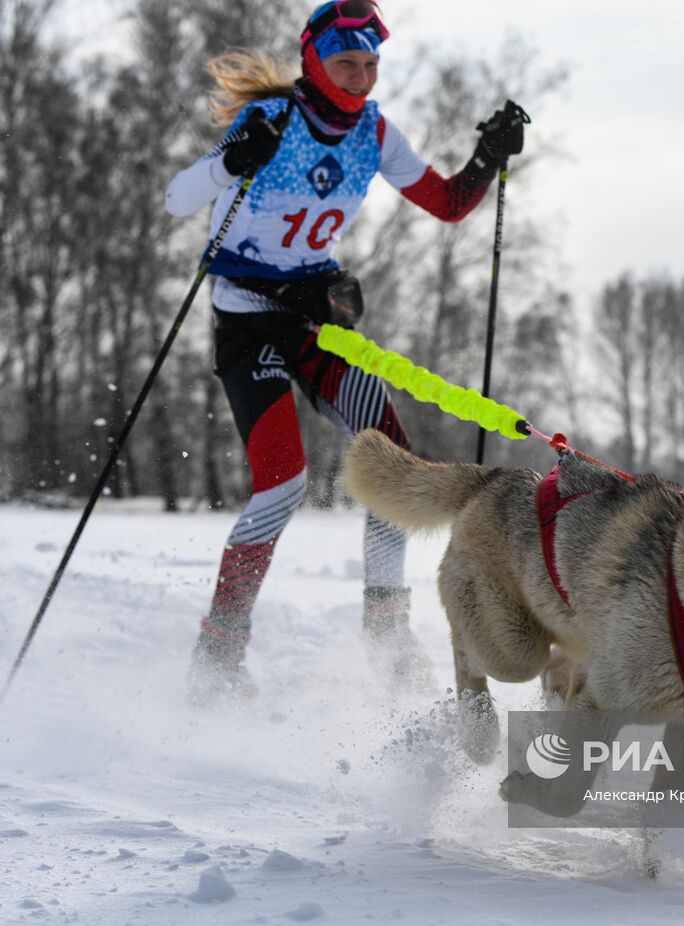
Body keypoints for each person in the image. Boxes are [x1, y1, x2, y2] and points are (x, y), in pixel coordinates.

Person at [165, 0, 525, 704]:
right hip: (249, 321)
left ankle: (387, 634)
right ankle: (220, 650)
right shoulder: (271, 122)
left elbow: (448, 204)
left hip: (315, 322)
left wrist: (486, 160)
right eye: (345, 64)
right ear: (313, 61)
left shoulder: (375, 133)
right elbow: (180, 199)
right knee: (283, 484)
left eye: (369, 64)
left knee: (396, 469)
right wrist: (234, 160)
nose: (359, 78)